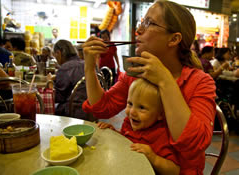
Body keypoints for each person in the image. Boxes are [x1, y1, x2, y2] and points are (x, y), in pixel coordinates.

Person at [82, 1, 216, 174]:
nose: (138, 31)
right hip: (132, 163)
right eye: (141, 22)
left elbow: (194, 145)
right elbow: (103, 107)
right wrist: (89, 65)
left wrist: (165, 80)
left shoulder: (200, 82)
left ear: (174, 39)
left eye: (150, 23)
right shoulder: (137, 73)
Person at [98, 78, 180, 175]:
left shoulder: (162, 135)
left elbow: (175, 170)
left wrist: (154, 158)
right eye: (130, 104)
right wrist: (115, 134)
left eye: (141, 107)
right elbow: (127, 141)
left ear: (160, 115)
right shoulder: (129, 123)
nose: (132, 112)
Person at [52, 39, 93, 120]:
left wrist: (50, 84)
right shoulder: (87, 64)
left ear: (58, 53)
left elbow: (58, 98)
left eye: (55, 54)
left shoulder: (65, 68)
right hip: (93, 110)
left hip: (73, 112)